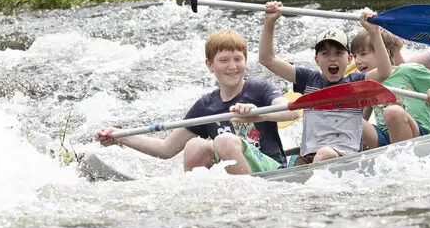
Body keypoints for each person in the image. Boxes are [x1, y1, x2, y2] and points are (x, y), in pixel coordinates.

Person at [94, 30, 298, 175]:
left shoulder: (258, 88)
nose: (233, 66)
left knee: (224, 140)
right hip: (230, 174)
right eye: (224, 60)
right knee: (194, 145)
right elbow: (166, 149)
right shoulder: (206, 106)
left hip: (272, 169)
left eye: (238, 59)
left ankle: (246, 194)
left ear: (245, 62)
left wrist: (259, 114)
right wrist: (120, 137)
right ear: (210, 65)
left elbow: (291, 112)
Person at [259, 1, 374, 163]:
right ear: (316, 60)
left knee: (324, 153)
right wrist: (269, 22)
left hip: (347, 157)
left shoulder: (357, 82)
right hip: (310, 157)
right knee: (298, 163)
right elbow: (267, 60)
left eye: (338, 53)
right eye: (325, 53)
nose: (332, 58)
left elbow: (385, 71)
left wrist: (373, 31)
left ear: (349, 59)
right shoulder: (307, 79)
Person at [351, 25, 430, 148]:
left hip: (418, 134)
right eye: (355, 56)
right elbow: (363, 118)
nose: (357, 61)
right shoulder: (370, 83)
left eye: (363, 54)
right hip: (386, 138)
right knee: (349, 118)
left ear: (385, 53)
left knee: (392, 112)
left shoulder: (408, 70)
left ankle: (401, 162)